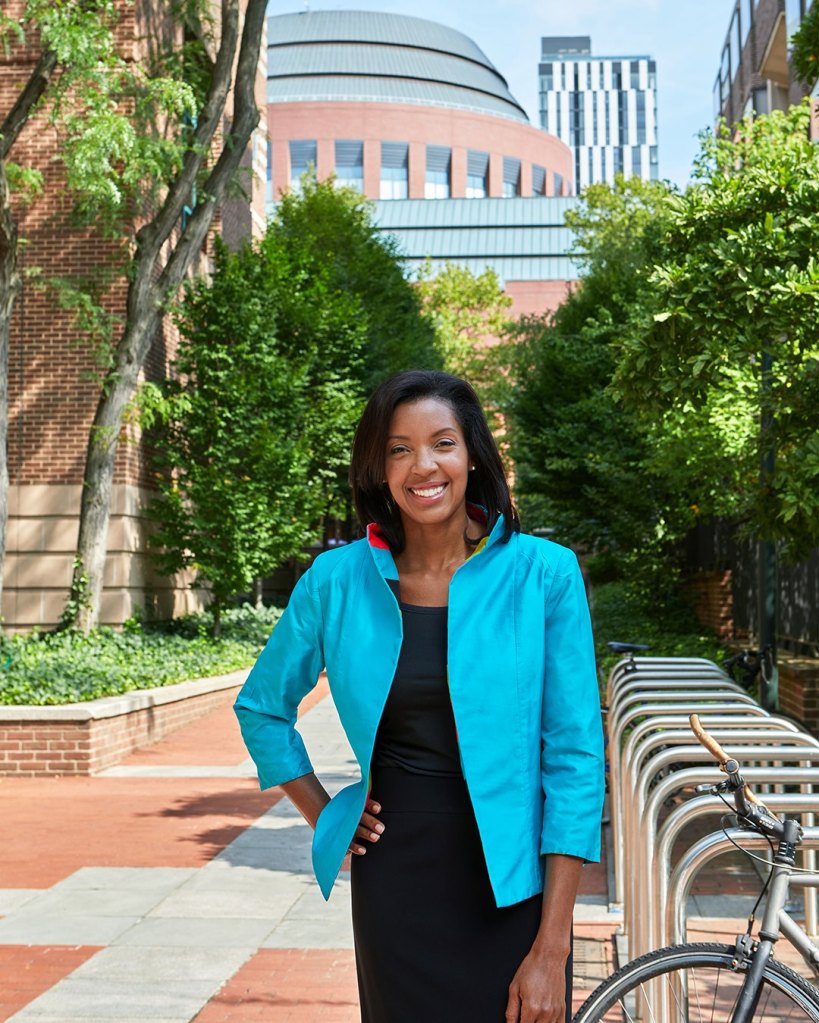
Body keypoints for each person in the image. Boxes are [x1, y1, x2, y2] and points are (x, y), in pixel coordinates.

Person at [234, 370, 605, 1023]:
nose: (422, 465)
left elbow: (573, 758)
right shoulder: (336, 580)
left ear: (471, 457)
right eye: (399, 448)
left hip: (514, 882)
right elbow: (261, 707)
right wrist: (323, 812)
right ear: (377, 467)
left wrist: (553, 943)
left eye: (441, 443)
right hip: (396, 878)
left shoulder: (543, 574)